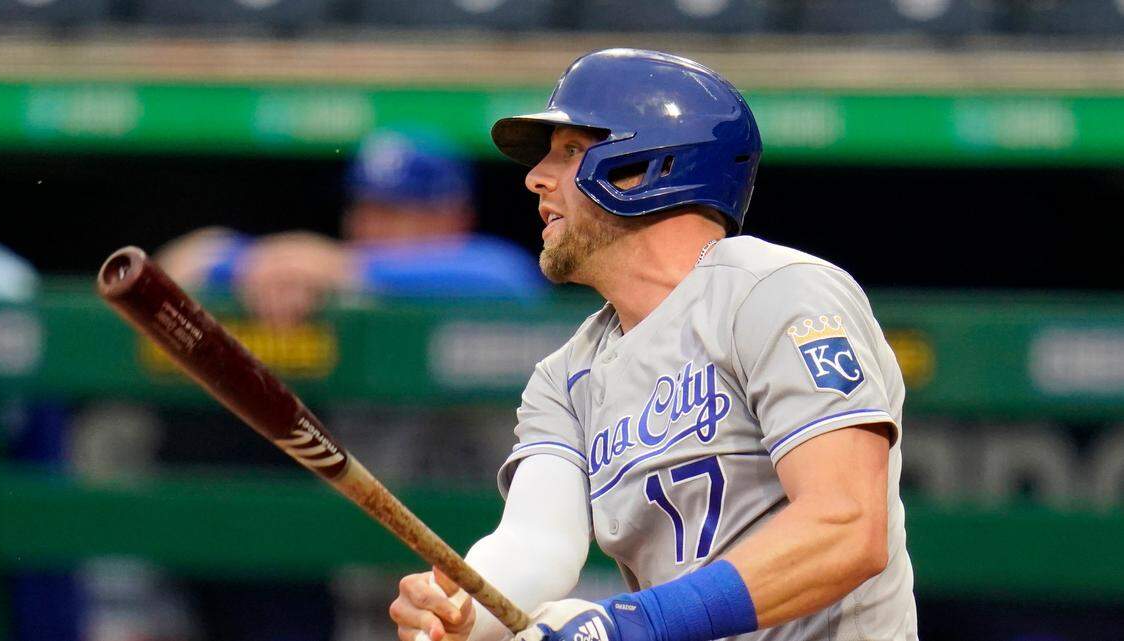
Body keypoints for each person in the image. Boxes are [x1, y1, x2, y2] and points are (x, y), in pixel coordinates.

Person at [388, 48, 917, 641]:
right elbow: (534, 545)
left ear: (643, 166)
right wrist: (462, 608)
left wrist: (626, 626)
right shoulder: (566, 376)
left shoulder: (774, 290)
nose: (536, 177)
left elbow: (846, 527)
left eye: (569, 152)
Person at [157, 129, 544, 326]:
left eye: (394, 211)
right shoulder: (322, 275)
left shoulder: (483, 270)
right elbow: (182, 265)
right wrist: (259, 262)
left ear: (452, 218)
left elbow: (510, 279)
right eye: (364, 207)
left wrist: (341, 267)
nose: (369, 225)